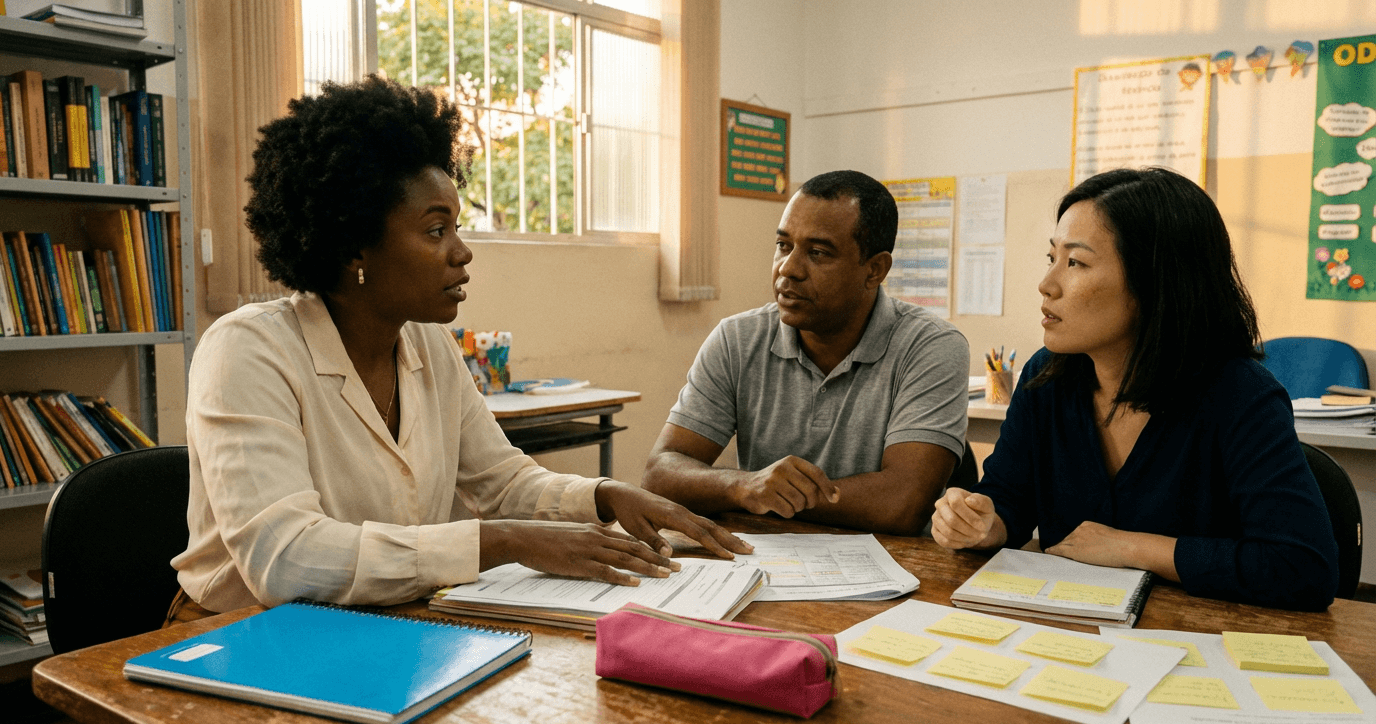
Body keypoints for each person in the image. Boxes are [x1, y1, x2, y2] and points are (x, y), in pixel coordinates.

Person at [170, 76, 749, 617]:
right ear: (355, 248)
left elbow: (502, 482)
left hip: (387, 620)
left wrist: (603, 495)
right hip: (240, 633)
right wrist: (500, 541)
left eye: (456, 227)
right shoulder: (247, 350)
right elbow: (285, 559)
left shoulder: (428, 345)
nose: (462, 252)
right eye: (435, 230)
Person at [932, 167, 1339, 611]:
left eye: (1076, 263)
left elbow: (1303, 567)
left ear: (1157, 283)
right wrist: (980, 521)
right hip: (1069, 640)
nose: (1047, 285)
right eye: (1052, 258)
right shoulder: (1045, 377)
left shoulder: (1240, 395)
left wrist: (1131, 548)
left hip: (1195, 649)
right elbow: (1008, 499)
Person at [642, 171, 970, 536]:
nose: (788, 269)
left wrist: (777, 496)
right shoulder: (738, 339)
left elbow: (903, 503)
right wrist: (744, 486)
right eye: (783, 246)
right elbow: (660, 472)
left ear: (874, 270)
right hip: (767, 562)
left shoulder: (930, 346)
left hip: (897, 569)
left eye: (817, 253)